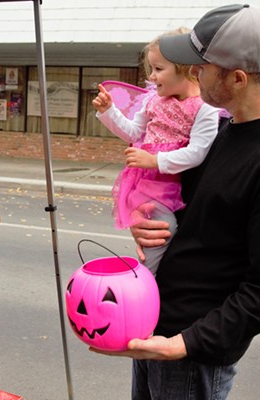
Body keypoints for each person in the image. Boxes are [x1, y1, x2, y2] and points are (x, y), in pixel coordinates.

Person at [91, 4, 260, 399]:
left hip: (192, 350)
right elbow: (189, 210)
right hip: (156, 324)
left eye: (200, 66)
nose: (192, 73)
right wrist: (148, 222)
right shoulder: (219, 132)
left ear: (236, 78)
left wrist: (183, 344)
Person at [92, 28, 219, 275]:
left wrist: (154, 159)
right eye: (151, 68)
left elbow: (197, 152)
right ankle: (147, 280)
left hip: (165, 182)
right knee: (159, 230)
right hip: (147, 183)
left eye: (158, 69)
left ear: (186, 69)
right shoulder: (152, 102)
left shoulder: (205, 109)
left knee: (165, 228)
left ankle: (146, 279)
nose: (151, 76)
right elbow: (132, 132)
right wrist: (109, 111)